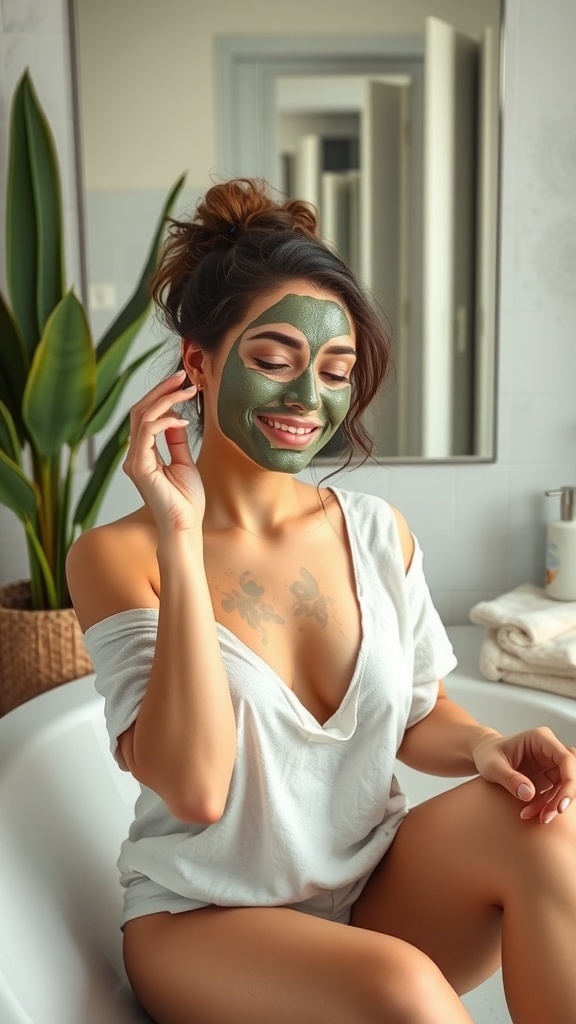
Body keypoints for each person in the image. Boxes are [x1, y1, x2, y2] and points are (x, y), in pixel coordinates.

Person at [67, 177, 576, 1024]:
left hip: (369, 889)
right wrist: (180, 538)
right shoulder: (118, 556)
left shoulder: (379, 532)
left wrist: (488, 744)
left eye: (336, 372)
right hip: (207, 924)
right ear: (196, 362)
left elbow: (420, 713)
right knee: (404, 991)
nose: (310, 399)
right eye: (274, 361)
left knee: (545, 828)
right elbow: (195, 789)